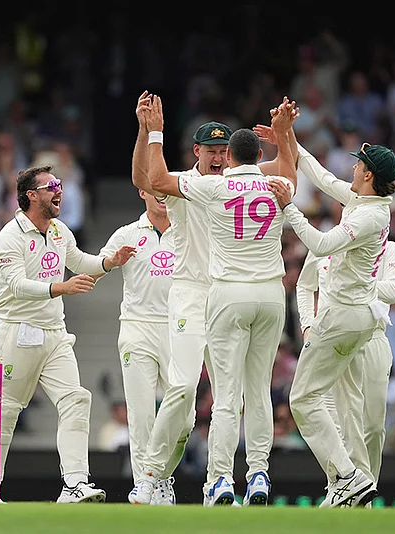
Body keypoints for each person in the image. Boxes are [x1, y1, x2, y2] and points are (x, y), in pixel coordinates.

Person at [130, 92, 297, 505]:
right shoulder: (191, 182)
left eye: (225, 150)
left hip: (228, 293)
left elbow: (284, 166)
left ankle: (215, 482)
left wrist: (285, 136)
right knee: (184, 389)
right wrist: (146, 131)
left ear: (233, 154)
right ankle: (153, 475)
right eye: (211, 151)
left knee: (232, 393)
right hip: (191, 292)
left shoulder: (231, 180)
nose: (219, 157)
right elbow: (145, 180)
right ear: (197, 152)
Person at [0, 165, 136, 503]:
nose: (59, 191)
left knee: (76, 399)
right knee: (6, 411)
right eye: (52, 186)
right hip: (18, 333)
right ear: (32, 195)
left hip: (54, 334)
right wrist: (60, 287)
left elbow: (80, 262)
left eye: (60, 185)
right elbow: (17, 286)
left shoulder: (60, 230)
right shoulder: (9, 237)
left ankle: (75, 483)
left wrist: (111, 262)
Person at [268, 141, 395, 507]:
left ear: (369, 174)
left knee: (303, 398)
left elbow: (322, 244)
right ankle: (349, 483)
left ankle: (347, 477)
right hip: (352, 319)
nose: (352, 168)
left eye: (358, 165)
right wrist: (289, 140)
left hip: (343, 318)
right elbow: (323, 178)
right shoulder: (366, 202)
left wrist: (288, 207)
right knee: (343, 411)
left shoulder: (367, 216)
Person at [94, 188, 178, 504]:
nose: (161, 195)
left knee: (183, 416)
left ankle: (163, 475)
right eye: (154, 189)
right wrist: (111, 261)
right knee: (141, 413)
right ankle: (147, 483)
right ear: (143, 191)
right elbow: (94, 265)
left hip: (178, 329)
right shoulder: (127, 233)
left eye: (165, 188)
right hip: (137, 327)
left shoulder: (189, 230)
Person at [296, 239, 395, 485]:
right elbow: (304, 285)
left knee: (374, 426)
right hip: (331, 340)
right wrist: (307, 324)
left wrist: (352, 280)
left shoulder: (388, 248)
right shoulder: (325, 243)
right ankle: (340, 486)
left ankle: (366, 488)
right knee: (337, 423)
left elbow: (394, 291)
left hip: (372, 336)